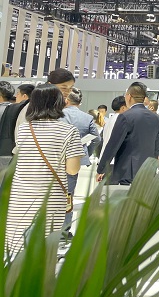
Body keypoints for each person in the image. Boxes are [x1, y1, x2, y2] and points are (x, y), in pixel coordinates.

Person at [5, 84, 83, 255]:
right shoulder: (69, 131)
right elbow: (72, 169)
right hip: (50, 198)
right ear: (59, 103)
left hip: (20, 198)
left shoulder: (23, 128)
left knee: (17, 250)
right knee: (44, 251)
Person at [96, 82, 159, 185]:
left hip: (127, 171)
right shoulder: (156, 118)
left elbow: (113, 144)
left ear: (129, 96)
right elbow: (157, 146)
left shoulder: (125, 117)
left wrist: (101, 169)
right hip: (148, 170)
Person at [60, 87, 101, 236]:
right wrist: (85, 152)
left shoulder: (57, 115)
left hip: (56, 158)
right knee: (69, 195)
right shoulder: (87, 118)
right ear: (80, 102)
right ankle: (65, 231)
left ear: (66, 100)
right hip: (75, 160)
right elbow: (97, 139)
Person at [99, 96, 128, 170]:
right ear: (123, 108)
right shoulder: (121, 120)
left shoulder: (109, 120)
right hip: (113, 161)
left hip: (106, 159)